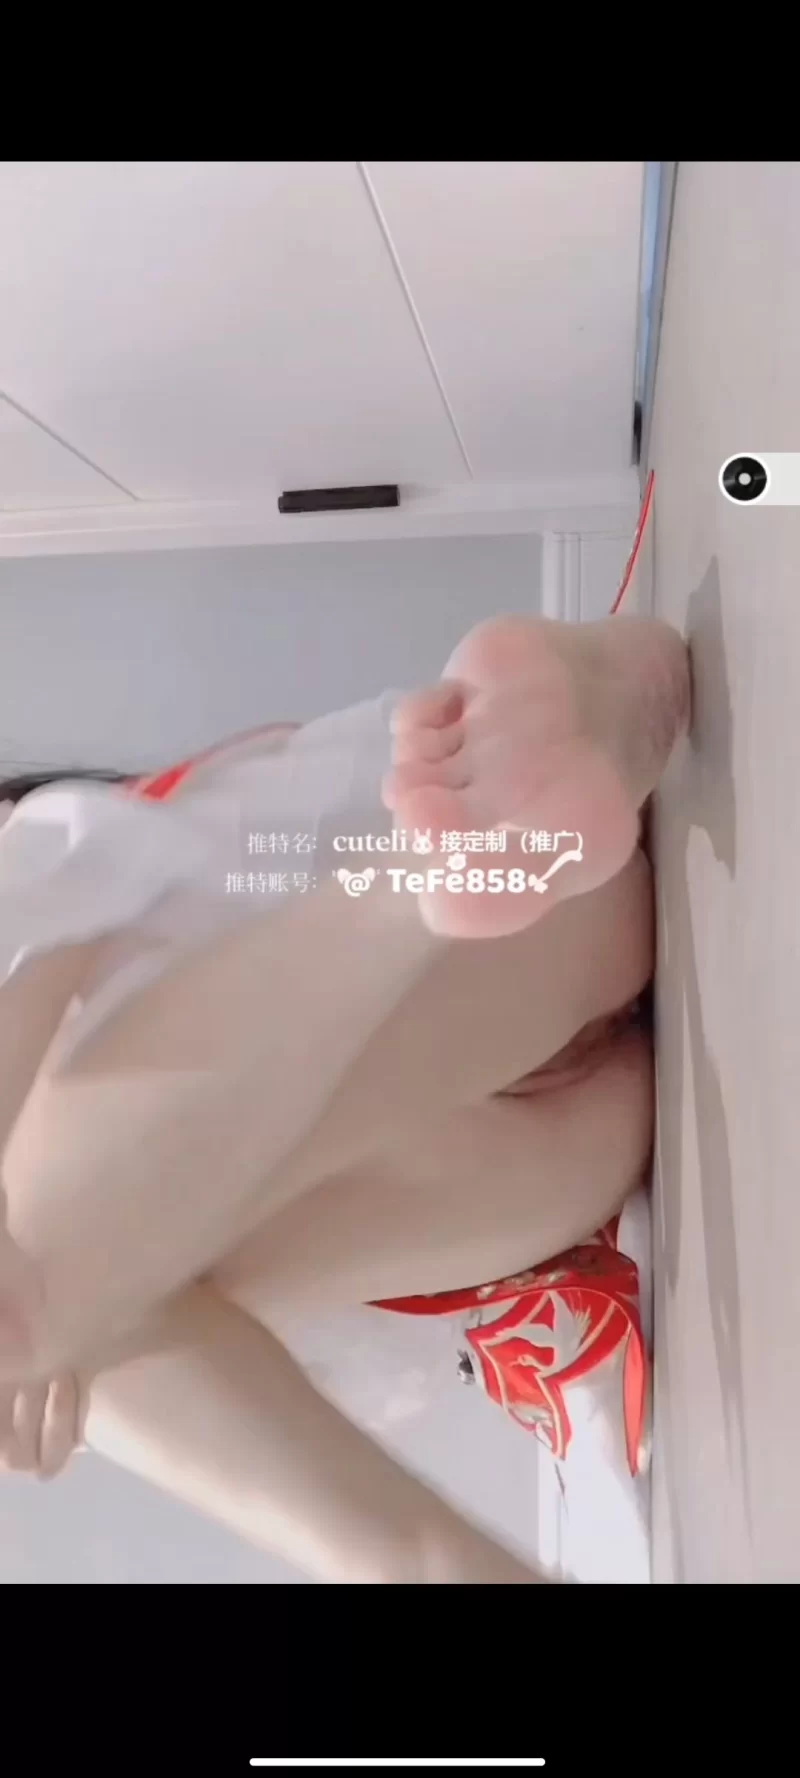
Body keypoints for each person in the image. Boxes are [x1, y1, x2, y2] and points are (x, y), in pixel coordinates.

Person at [0, 612, 690, 1583]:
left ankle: (498, 801)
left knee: (63, 1262)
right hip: (539, 1109)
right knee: (82, 1296)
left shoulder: (48, 862)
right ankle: (485, 818)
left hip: (510, 965)